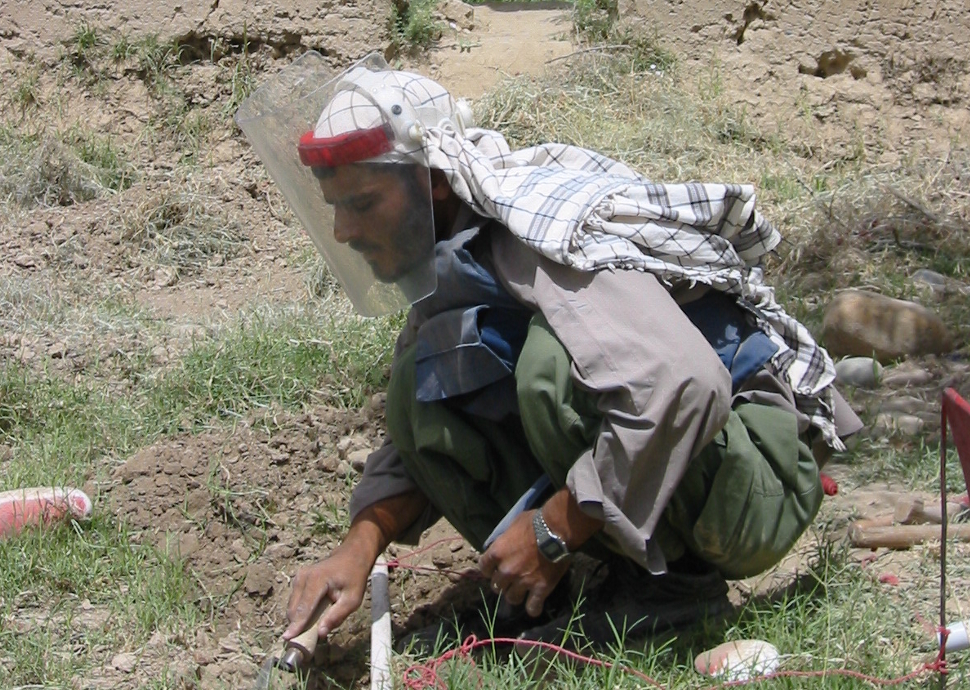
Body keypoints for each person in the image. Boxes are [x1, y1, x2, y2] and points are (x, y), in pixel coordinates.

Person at [237, 54, 862, 651]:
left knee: (550, 367)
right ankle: (548, 593)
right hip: (690, 462)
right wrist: (360, 545)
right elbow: (415, 437)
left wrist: (555, 529)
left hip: (755, 487)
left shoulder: (549, 242)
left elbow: (683, 383)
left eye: (363, 203)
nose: (344, 231)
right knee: (415, 386)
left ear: (429, 182)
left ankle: (675, 587)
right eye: (335, 208)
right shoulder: (455, 255)